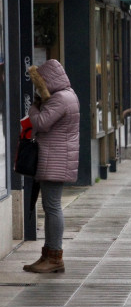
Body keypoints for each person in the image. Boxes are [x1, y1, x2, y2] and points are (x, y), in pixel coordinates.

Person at [23, 59, 80, 274]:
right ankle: (48, 253)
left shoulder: (60, 99)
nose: (39, 88)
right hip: (56, 158)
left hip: (55, 159)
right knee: (50, 207)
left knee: (53, 207)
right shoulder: (68, 95)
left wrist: (34, 107)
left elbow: (40, 123)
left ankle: (55, 256)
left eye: (40, 83)